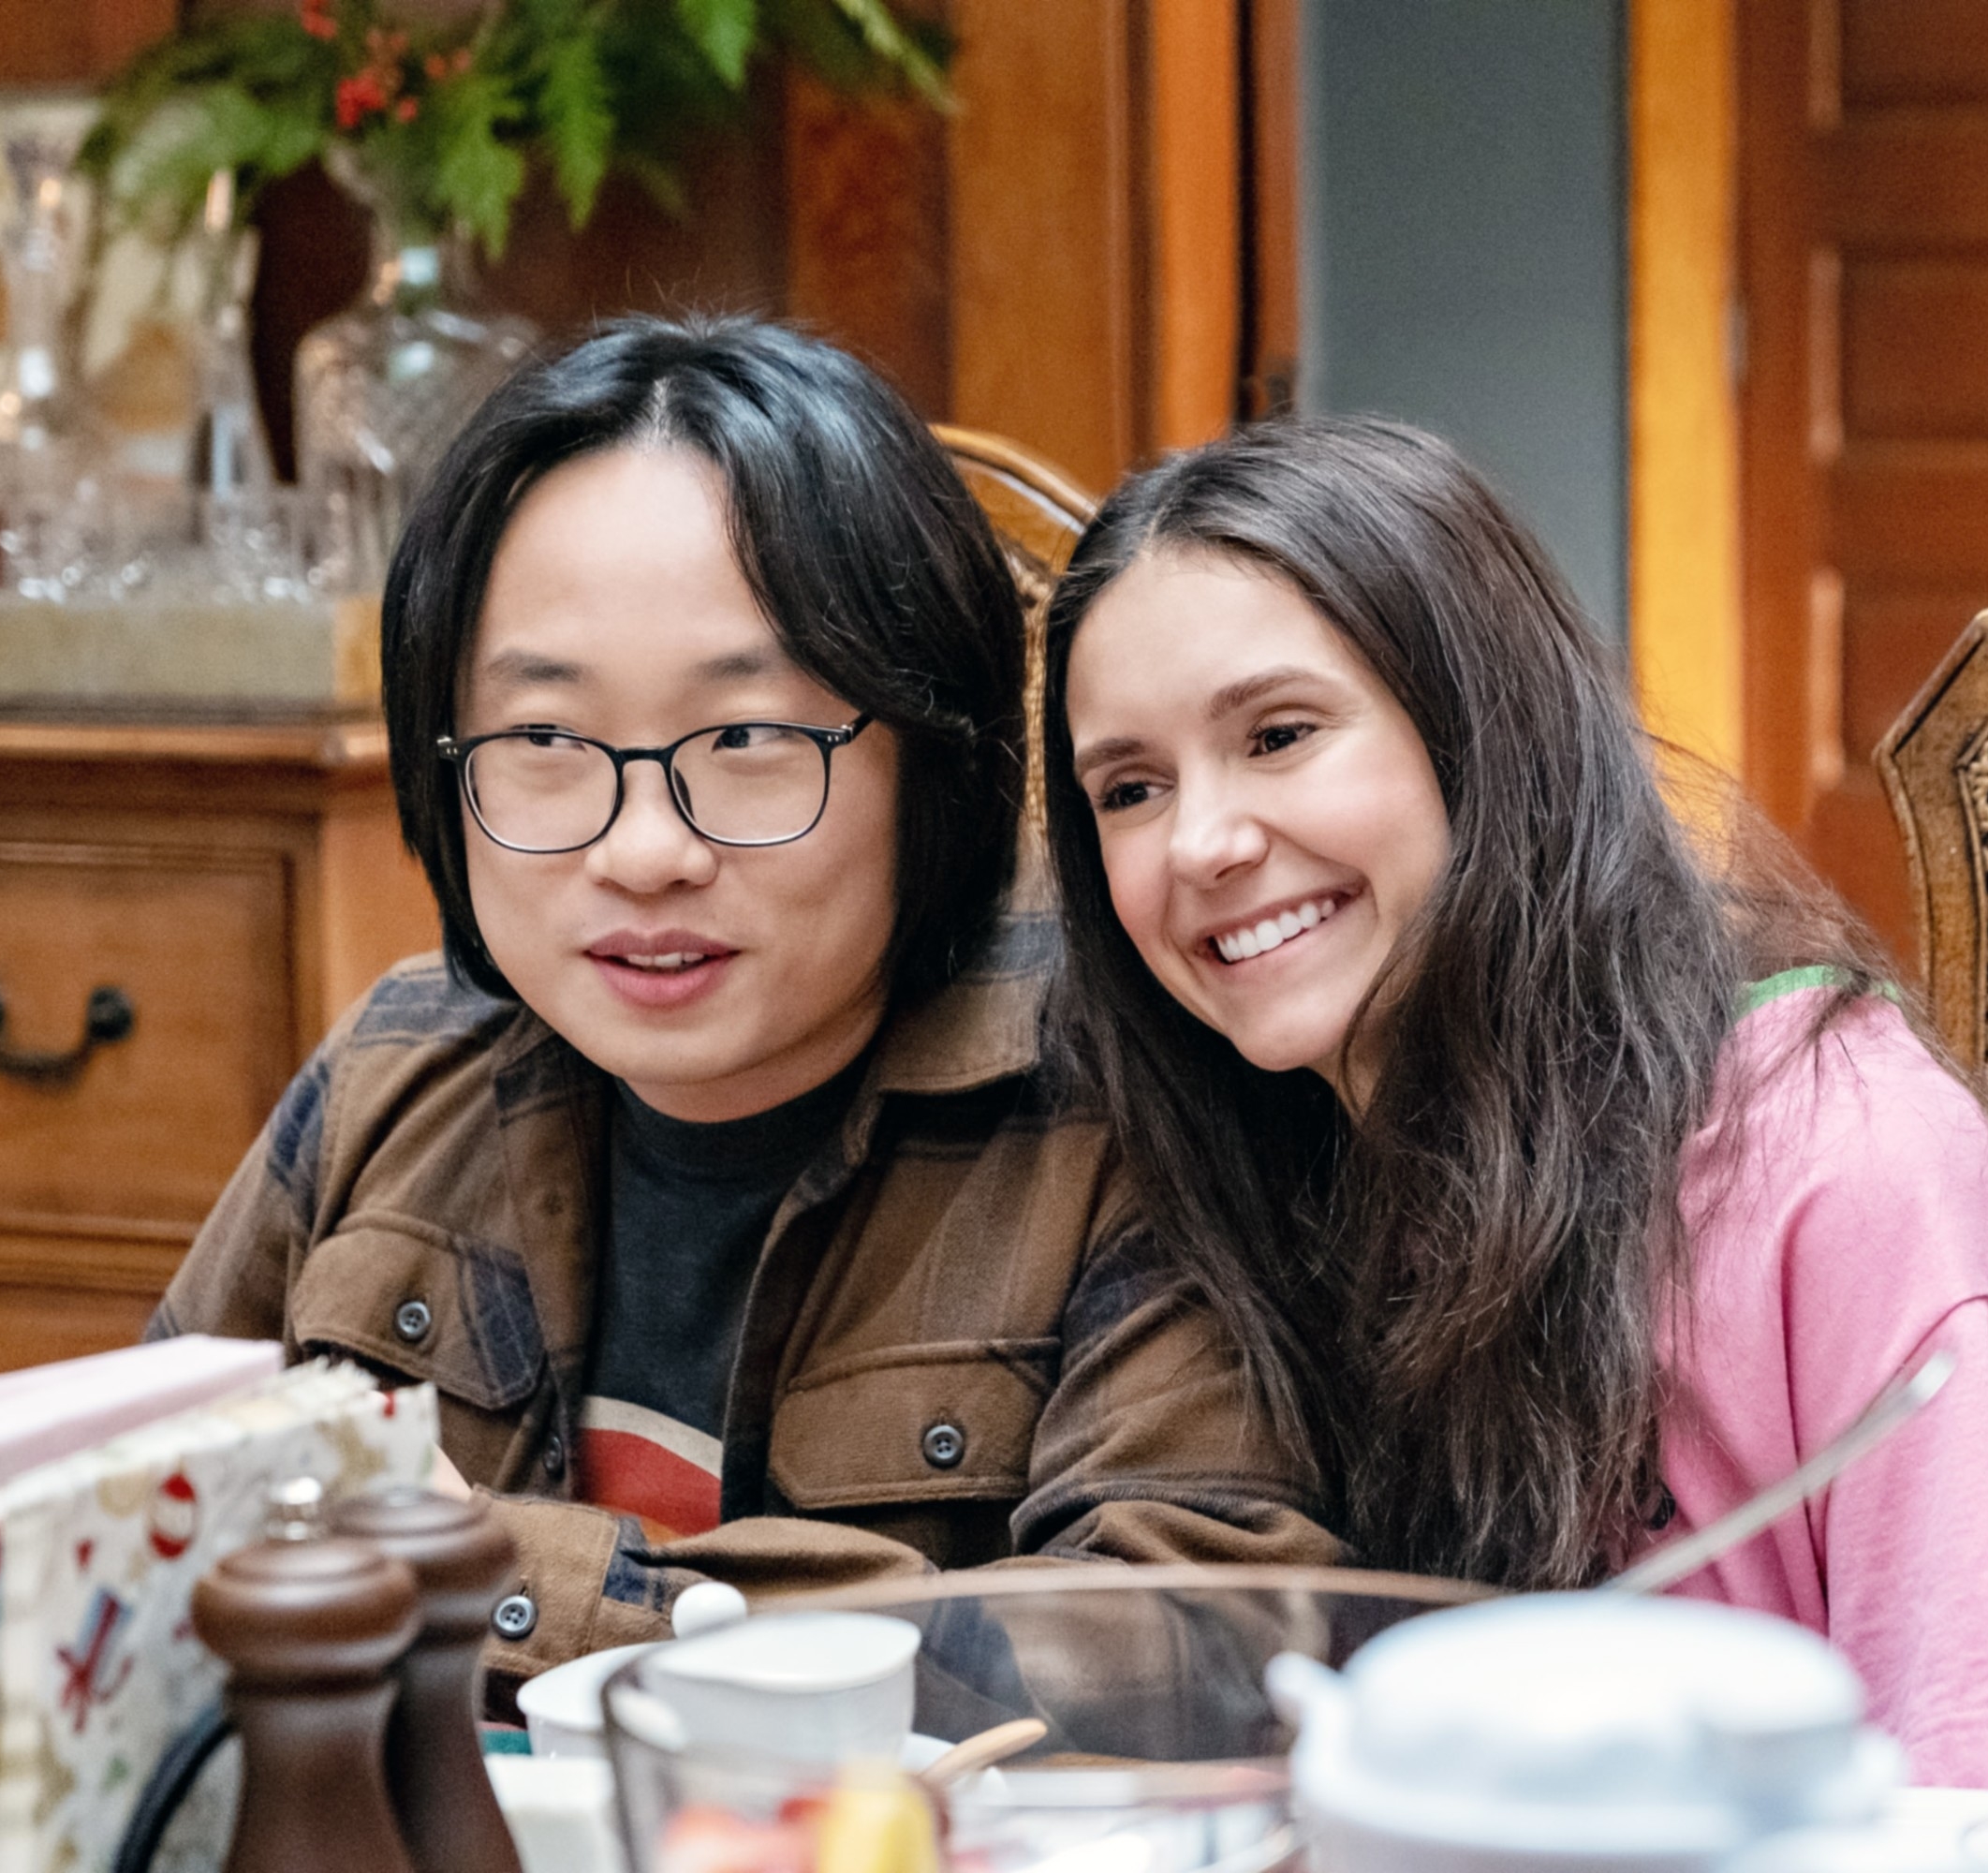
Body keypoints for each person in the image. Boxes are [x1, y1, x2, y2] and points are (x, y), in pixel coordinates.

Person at [1039, 415, 1988, 1870]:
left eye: (1280, 736)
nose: (1200, 845)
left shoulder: (1849, 1163)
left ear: (1480, 733)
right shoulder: (1269, 1168)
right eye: (1130, 789)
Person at [153, 318, 1337, 1700]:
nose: (645, 850)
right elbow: (133, 1508)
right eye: (544, 740)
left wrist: (486, 1572)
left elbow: (1189, 1643)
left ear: (935, 754)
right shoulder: (400, 1064)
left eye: (750, 741)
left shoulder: (1127, 1093)